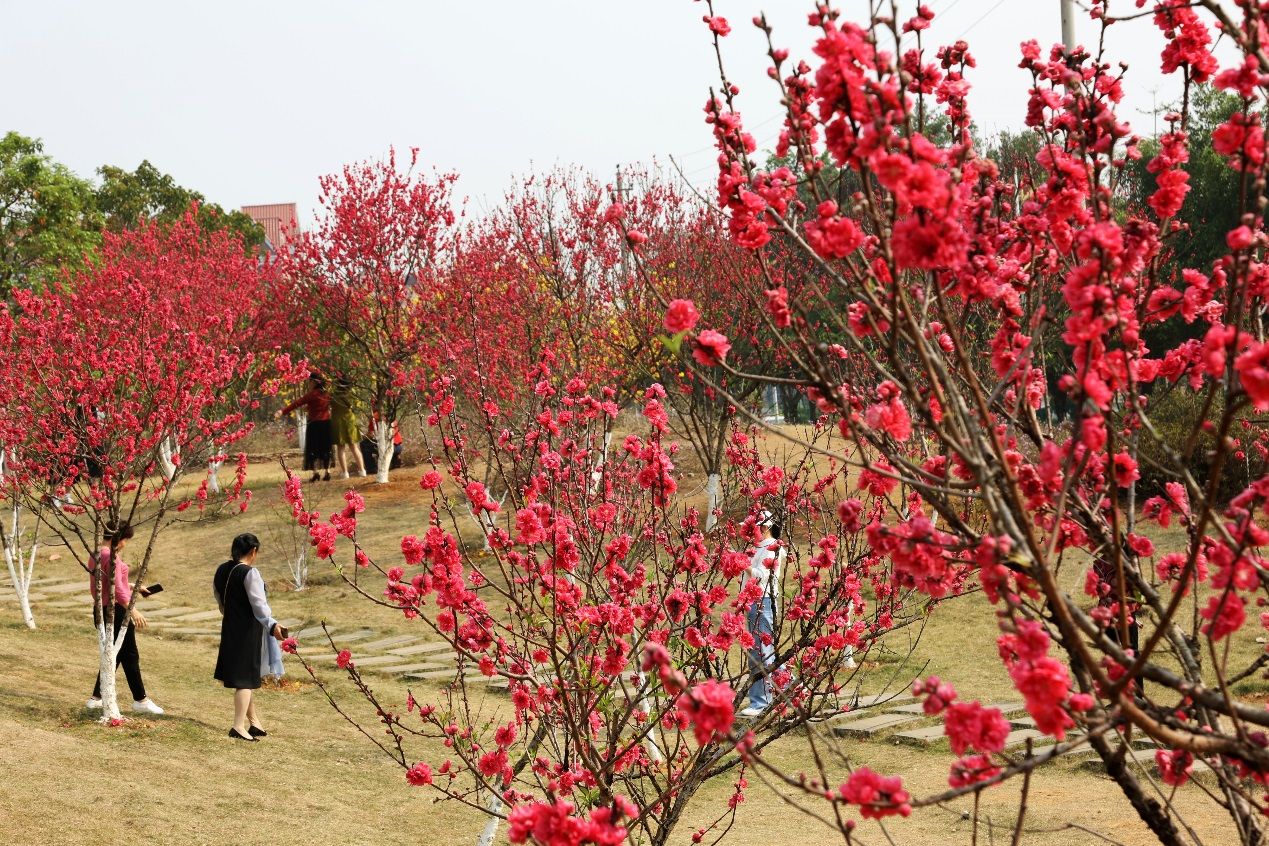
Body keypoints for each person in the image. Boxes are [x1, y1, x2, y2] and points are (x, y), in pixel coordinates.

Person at [213, 533, 286, 741]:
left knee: (246, 677)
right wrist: (272, 625)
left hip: (230, 626)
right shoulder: (250, 573)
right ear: (253, 551)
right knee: (245, 679)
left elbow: (220, 598)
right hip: (247, 631)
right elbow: (259, 605)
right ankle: (238, 726)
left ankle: (254, 722)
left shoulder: (221, 569)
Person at [86, 523, 164, 715]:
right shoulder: (109, 556)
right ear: (118, 539)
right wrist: (133, 610)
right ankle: (140, 700)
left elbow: (110, 583)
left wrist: (133, 586)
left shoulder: (96, 554)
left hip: (103, 608)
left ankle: (97, 697)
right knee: (128, 655)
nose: (125, 544)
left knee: (116, 654)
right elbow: (117, 590)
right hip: (116, 610)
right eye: (125, 540)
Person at [739, 510, 785, 718]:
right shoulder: (759, 547)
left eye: (753, 527)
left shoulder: (772, 548)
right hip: (755, 600)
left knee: (761, 651)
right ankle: (790, 688)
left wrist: (745, 565)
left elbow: (763, 577)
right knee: (765, 649)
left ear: (764, 527)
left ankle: (761, 701)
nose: (748, 531)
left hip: (763, 600)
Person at [276, 374, 333, 482]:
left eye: (310, 382)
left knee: (313, 448)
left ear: (314, 382)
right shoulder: (326, 394)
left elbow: (297, 403)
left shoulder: (312, 394)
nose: (308, 384)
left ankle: (315, 473)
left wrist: (282, 411)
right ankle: (327, 472)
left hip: (314, 424)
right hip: (326, 424)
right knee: (325, 448)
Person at [330, 376, 366, 480]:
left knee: (340, 448)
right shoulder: (351, 395)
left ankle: (345, 473)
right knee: (354, 447)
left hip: (337, 423)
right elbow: (356, 407)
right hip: (350, 422)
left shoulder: (333, 395)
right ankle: (362, 470)